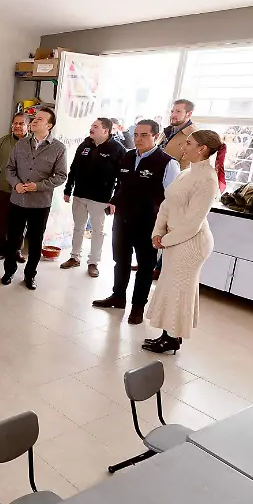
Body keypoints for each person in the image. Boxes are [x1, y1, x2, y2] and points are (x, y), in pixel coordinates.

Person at [143, 130, 225, 354]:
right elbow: (167, 205)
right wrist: (157, 232)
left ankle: (172, 338)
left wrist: (166, 240)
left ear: (202, 149)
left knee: (179, 290)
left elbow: (193, 223)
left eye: (188, 143)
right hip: (174, 239)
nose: (183, 146)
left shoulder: (207, 180)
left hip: (191, 243)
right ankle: (168, 334)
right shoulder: (186, 173)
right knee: (170, 287)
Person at [92, 119, 180, 324]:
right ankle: (118, 296)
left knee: (145, 266)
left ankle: (138, 306)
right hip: (123, 220)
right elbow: (121, 186)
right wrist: (114, 201)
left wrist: (164, 227)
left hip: (149, 223)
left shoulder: (167, 163)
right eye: (137, 135)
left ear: (156, 137)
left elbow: (172, 199)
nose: (138, 139)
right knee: (120, 260)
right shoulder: (128, 156)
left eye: (144, 135)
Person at [2, 107, 68, 290]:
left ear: (49, 125)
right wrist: (16, 184)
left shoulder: (58, 148)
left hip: (40, 203)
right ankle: (9, 271)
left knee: (35, 241)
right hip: (18, 200)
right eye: (34, 118)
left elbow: (61, 176)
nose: (34, 121)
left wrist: (38, 186)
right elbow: (9, 168)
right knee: (13, 239)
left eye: (39, 119)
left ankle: (30, 275)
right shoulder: (21, 144)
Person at [61, 118, 125, 278]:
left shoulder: (117, 149)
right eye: (91, 126)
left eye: (95, 127)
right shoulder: (85, 145)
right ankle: (74, 257)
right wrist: (68, 189)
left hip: (101, 198)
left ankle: (93, 262)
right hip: (80, 194)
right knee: (78, 227)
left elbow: (122, 178)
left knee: (98, 231)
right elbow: (74, 168)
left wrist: (115, 200)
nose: (91, 129)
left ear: (106, 131)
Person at [0, 113, 29, 261]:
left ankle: (17, 250)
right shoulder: (2, 142)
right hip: (4, 189)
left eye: (21, 124)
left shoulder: (33, 143)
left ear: (27, 126)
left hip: (24, 192)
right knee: (2, 222)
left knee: (20, 223)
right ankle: (2, 249)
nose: (17, 126)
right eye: (15, 123)